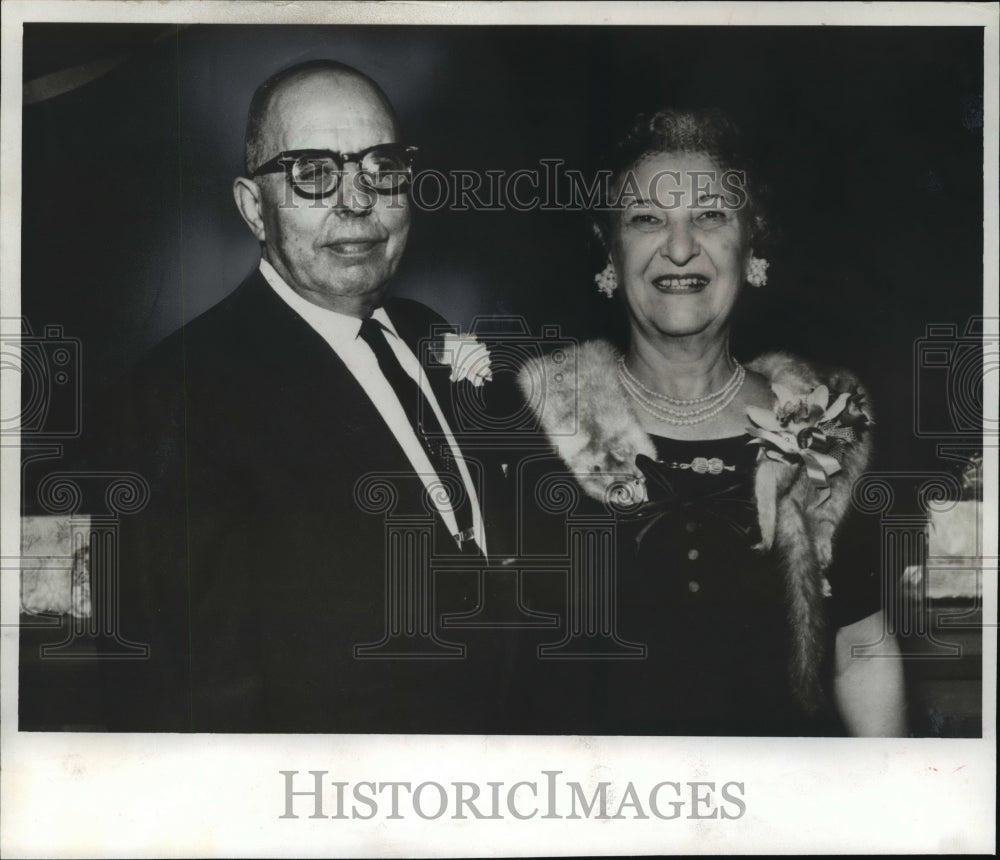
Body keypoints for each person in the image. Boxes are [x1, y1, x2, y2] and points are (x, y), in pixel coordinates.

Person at [92, 60, 512, 732]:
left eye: (381, 167)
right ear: (252, 207)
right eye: (313, 173)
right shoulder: (176, 400)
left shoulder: (425, 333)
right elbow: (188, 697)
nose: (356, 201)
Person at [511, 108, 907, 736]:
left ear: (752, 245)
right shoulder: (534, 428)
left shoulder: (829, 427)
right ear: (609, 250)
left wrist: (888, 788)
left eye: (711, 216)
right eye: (646, 220)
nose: (679, 248)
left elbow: (861, 649)